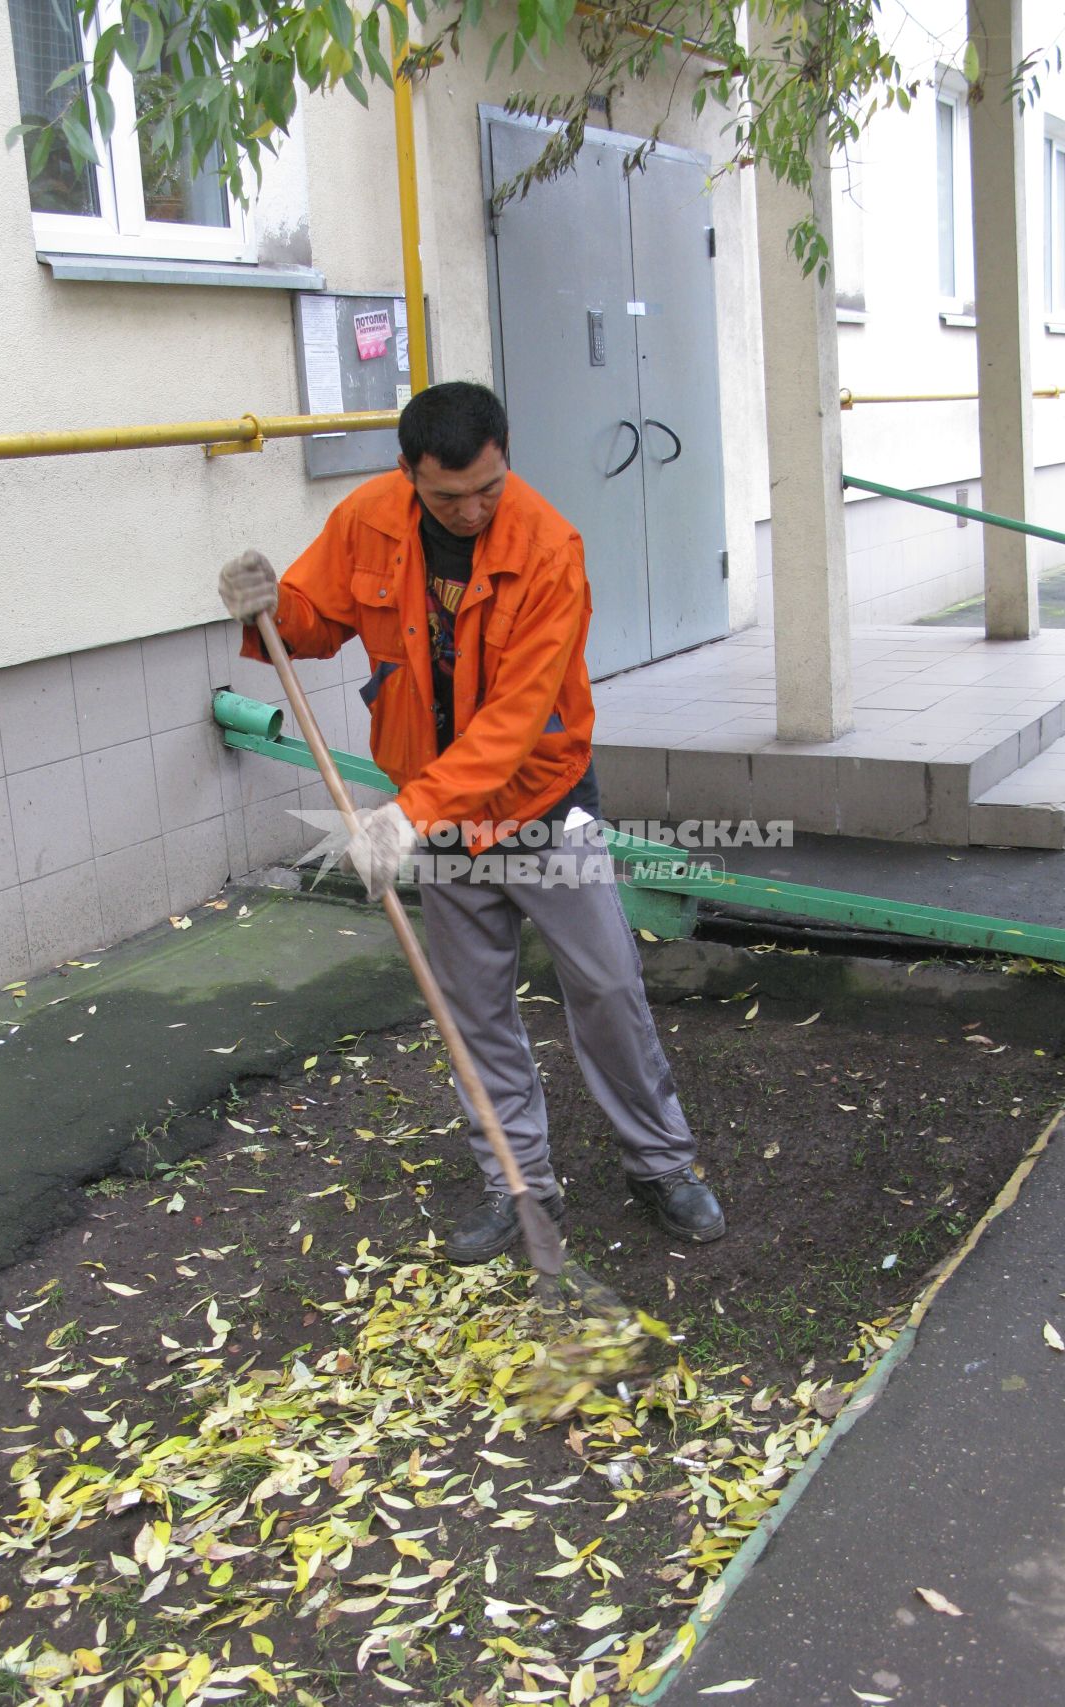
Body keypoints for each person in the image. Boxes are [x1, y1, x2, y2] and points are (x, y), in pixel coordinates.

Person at [219, 381, 725, 1261]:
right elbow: (310, 622)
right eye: (447, 495)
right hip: (438, 816)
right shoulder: (369, 521)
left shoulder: (548, 550)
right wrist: (265, 607)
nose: (471, 509)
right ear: (409, 474)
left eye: (487, 487)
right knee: (476, 1009)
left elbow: (512, 725)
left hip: (542, 806)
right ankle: (516, 1185)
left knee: (607, 987)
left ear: (505, 457)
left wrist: (405, 817)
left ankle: (662, 1163)